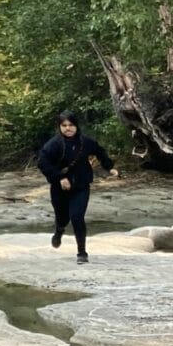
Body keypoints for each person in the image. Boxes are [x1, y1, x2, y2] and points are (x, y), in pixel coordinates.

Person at [37, 111, 119, 263]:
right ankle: (59, 230)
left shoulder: (85, 142)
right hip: (59, 188)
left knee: (77, 216)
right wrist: (60, 177)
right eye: (64, 125)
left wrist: (109, 167)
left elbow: (100, 151)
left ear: (76, 126)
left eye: (71, 125)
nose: (68, 128)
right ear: (60, 127)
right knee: (62, 218)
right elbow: (42, 162)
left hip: (81, 186)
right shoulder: (54, 144)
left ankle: (82, 252)